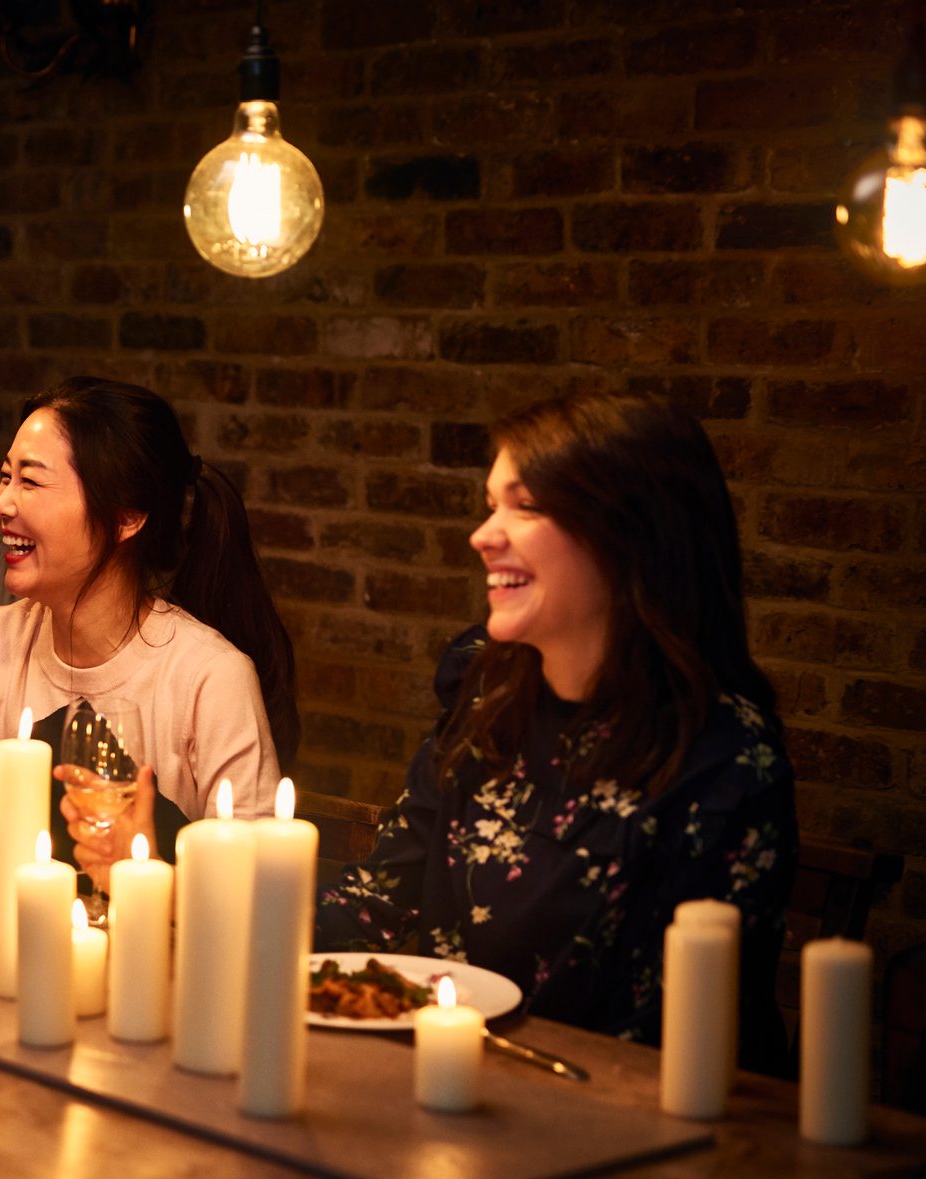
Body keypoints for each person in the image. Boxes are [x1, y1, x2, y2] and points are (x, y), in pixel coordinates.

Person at [317, 392, 797, 1067]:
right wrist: (197, 901)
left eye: (527, 506)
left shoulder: (723, 760)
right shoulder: (486, 696)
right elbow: (379, 903)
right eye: (491, 505)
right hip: (439, 1080)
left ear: (630, 534)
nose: (482, 535)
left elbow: (663, 1044)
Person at [0, 376, 297, 869]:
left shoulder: (210, 677)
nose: (0, 504)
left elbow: (253, 895)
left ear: (125, 518)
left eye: (31, 481)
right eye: (5, 476)